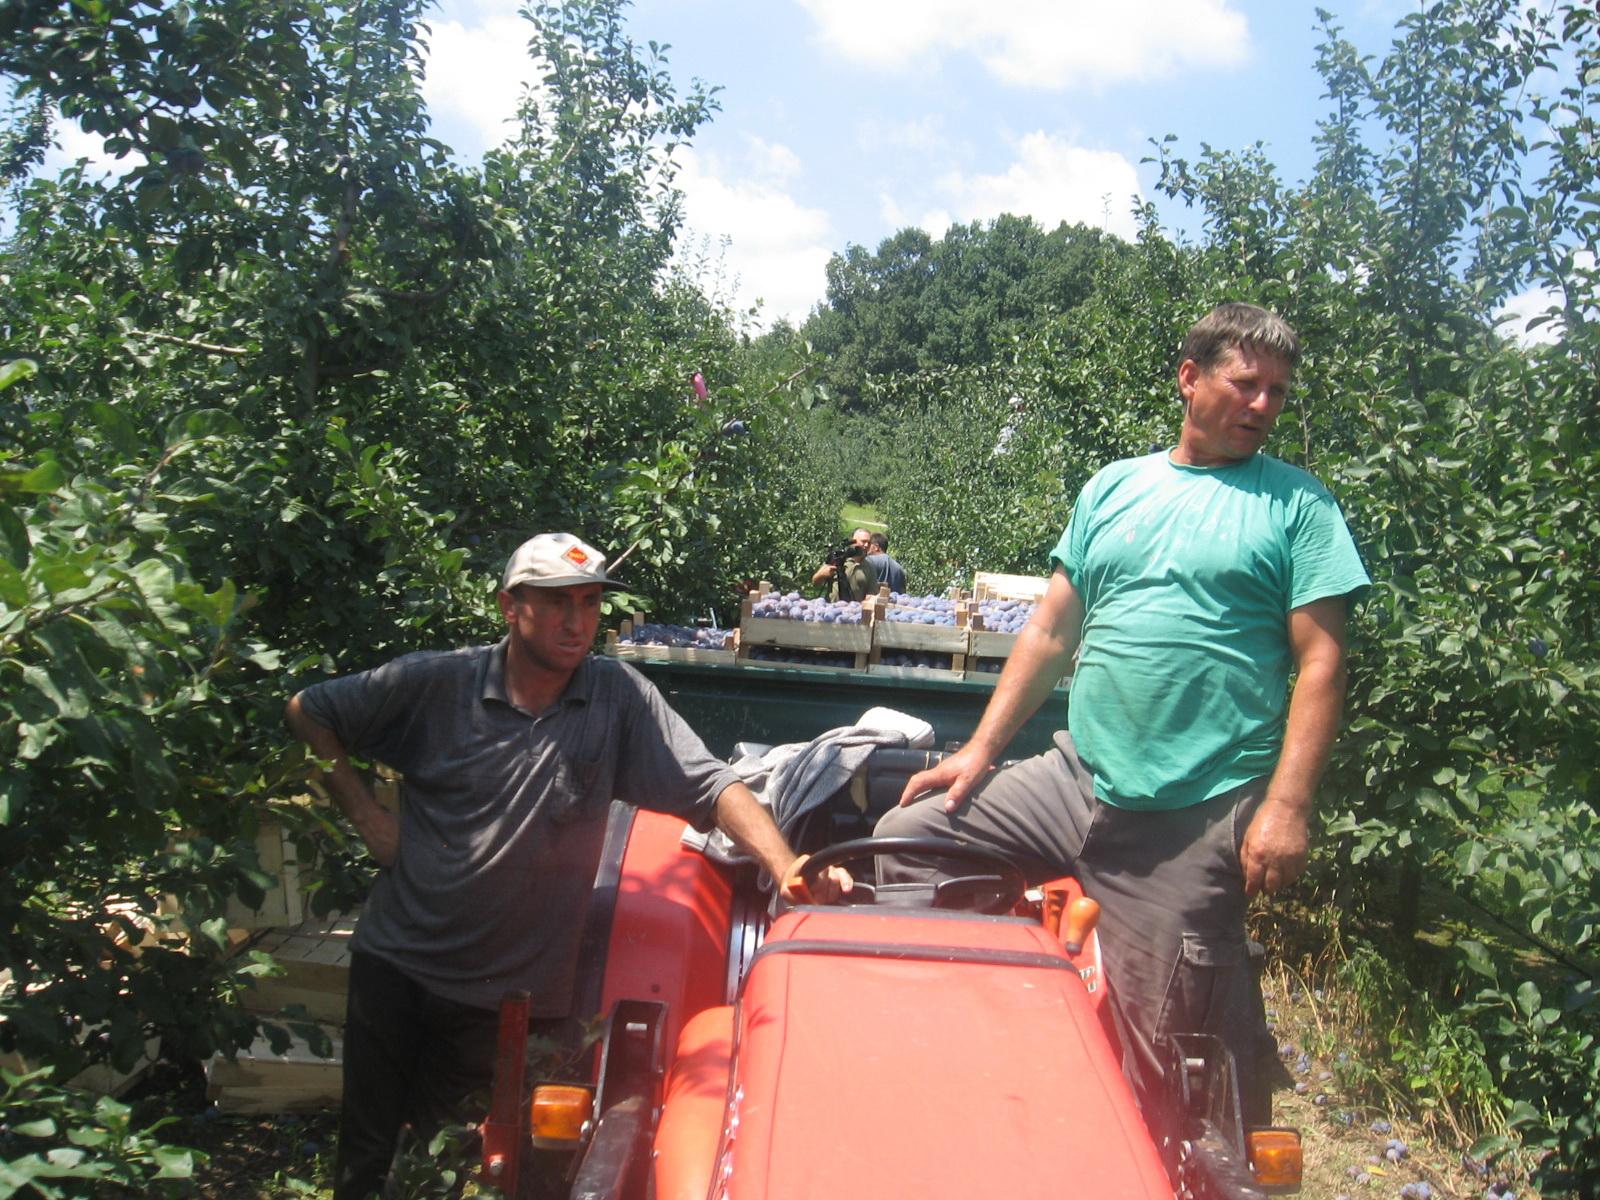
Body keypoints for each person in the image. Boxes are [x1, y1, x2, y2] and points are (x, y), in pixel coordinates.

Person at [876, 303, 1369, 1140]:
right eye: (1246, 384)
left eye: (1278, 393)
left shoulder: (1298, 506)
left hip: (1192, 811)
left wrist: (1286, 806)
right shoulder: (1114, 486)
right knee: (906, 841)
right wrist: (979, 752)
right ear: (1189, 376)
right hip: (1077, 776)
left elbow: (1322, 661)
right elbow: (1050, 630)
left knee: (1166, 1057)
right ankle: (982, 1059)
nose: (1263, 407)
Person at [286, 532, 845, 1200]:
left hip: (511, 999)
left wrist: (783, 863)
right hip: (399, 970)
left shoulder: (615, 700)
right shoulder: (441, 684)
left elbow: (712, 785)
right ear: (509, 607)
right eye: (556, 604)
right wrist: (369, 818)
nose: (578, 622)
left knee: (487, 1171)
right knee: (366, 1163)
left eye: (589, 603)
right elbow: (309, 711)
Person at [810, 526, 879, 602]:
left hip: (853, 610)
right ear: (853, 541)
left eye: (868, 543)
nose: (866, 545)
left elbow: (871, 595)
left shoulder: (869, 567)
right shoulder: (837, 559)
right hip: (831, 609)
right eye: (863, 541)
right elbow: (815, 582)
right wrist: (822, 574)